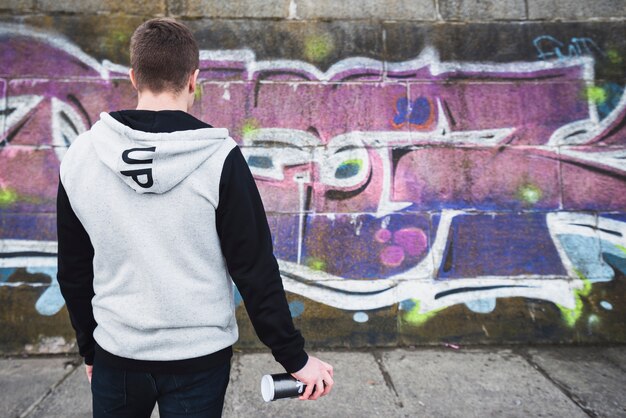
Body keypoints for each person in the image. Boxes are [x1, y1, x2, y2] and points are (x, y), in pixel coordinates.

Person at [57, 17, 333, 418]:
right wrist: (294, 358)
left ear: (133, 77)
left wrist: (90, 349)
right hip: (199, 359)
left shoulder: (81, 156)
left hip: (117, 353)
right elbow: (254, 269)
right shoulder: (220, 159)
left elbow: (73, 272)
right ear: (193, 79)